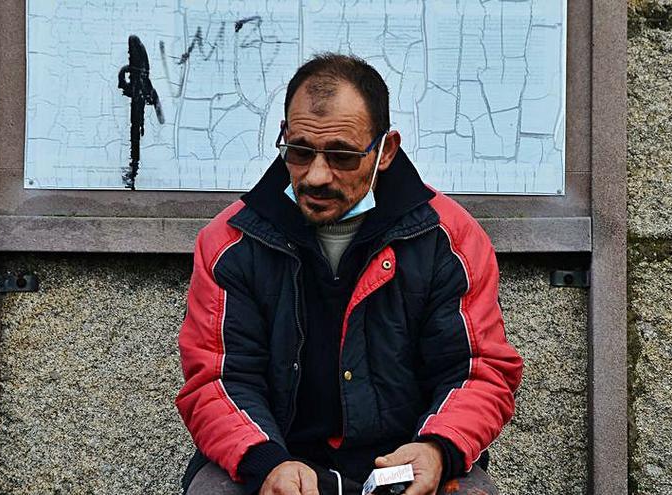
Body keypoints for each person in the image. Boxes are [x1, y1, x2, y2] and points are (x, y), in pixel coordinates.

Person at [176, 53, 523, 495]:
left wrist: (438, 449)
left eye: (341, 155)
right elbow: (218, 378)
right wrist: (266, 463)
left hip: (404, 463)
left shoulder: (449, 239)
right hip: (277, 460)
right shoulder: (229, 243)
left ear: (386, 150)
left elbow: (477, 371)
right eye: (300, 151)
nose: (316, 175)